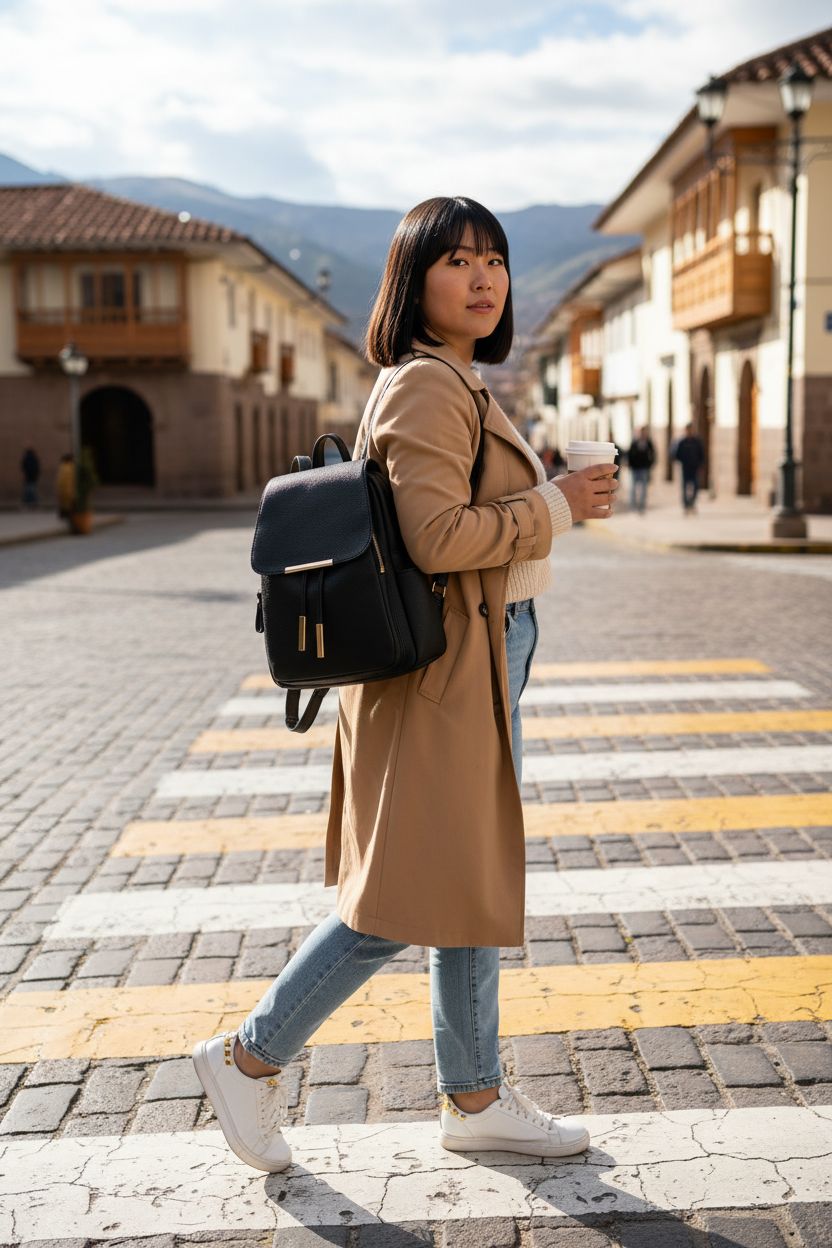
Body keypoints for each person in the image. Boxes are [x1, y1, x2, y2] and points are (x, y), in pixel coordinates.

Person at [192, 196, 618, 1174]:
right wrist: (552, 502)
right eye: (457, 260)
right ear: (412, 279)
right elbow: (438, 538)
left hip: (475, 646)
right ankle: (248, 1056)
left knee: (459, 875)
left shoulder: (456, 380)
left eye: (496, 260)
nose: (483, 277)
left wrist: (540, 500)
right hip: (445, 665)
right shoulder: (427, 384)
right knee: (397, 896)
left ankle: (473, 1097)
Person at [673, 423, 705, 513]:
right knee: (684, 487)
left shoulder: (697, 442)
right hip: (685, 468)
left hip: (694, 468)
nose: (690, 431)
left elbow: (701, 454)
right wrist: (683, 460)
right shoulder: (682, 442)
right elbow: (677, 454)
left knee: (696, 487)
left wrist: (700, 464)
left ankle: (692, 503)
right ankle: (686, 505)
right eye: (688, 430)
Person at [626, 426, 656, 513]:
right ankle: (633, 506)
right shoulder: (635, 442)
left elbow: (653, 454)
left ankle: (642, 506)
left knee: (644, 489)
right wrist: (630, 465)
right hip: (635, 468)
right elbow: (630, 454)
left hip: (644, 468)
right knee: (633, 489)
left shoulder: (648, 442)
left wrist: (650, 464)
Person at [56, 454, 76, 522]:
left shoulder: (62, 468)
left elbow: (60, 481)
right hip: (68, 491)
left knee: (64, 506)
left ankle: (64, 517)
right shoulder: (70, 468)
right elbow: (70, 481)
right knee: (69, 506)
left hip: (63, 491)